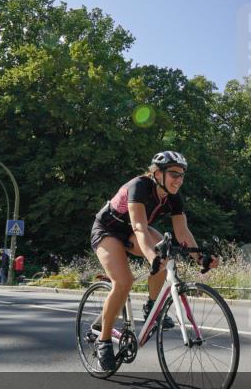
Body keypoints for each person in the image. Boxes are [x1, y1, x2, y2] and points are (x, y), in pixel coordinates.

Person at [89, 151, 218, 371]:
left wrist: (200, 257)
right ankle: (104, 341)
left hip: (132, 230)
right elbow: (139, 226)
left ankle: (151, 307)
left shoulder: (174, 197)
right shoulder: (140, 186)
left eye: (182, 175)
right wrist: (152, 257)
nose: (179, 180)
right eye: (174, 174)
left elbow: (182, 231)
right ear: (157, 173)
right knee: (124, 281)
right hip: (108, 230)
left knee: (165, 254)